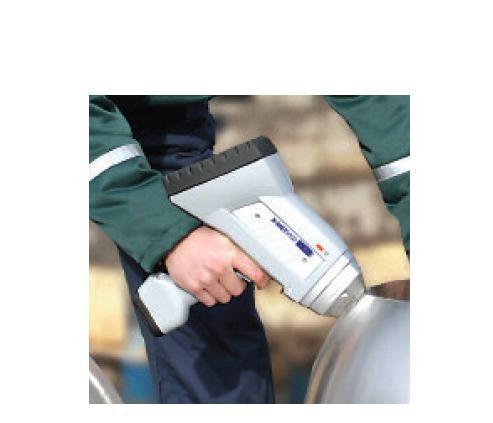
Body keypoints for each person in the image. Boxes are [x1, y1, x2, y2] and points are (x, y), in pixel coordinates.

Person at [89, 95, 410, 403]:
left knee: (227, 348)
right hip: (105, 134)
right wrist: (170, 236)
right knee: (214, 373)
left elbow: (382, 108)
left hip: (173, 123)